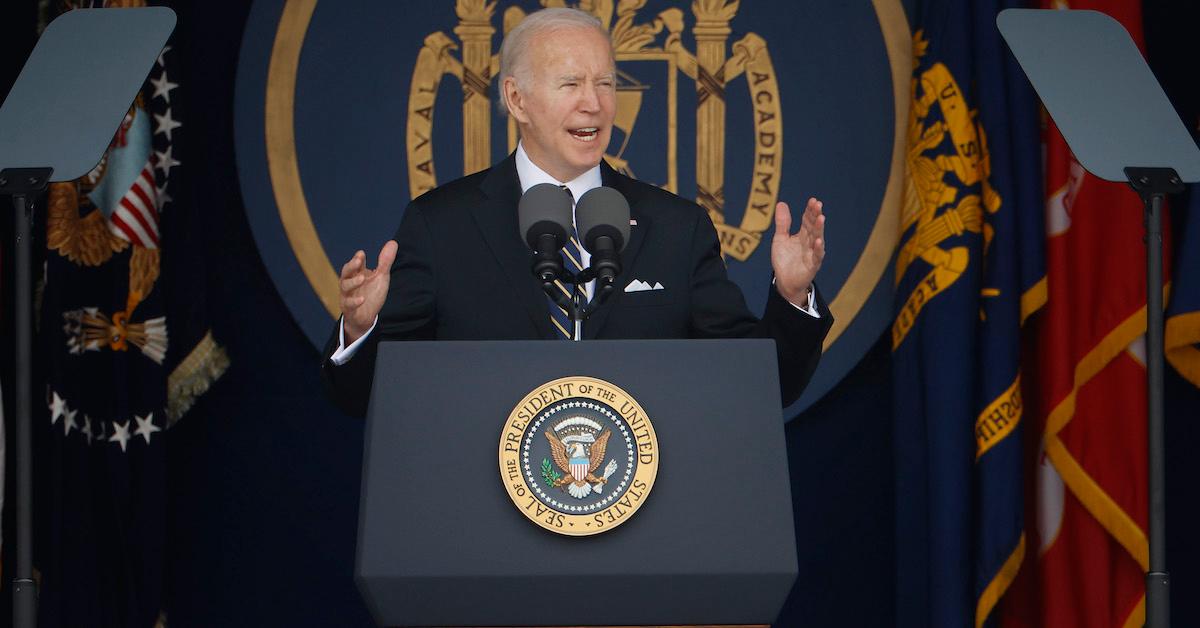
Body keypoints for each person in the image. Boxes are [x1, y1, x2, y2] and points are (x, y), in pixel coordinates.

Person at [322, 8, 832, 417]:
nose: (595, 104)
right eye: (570, 84)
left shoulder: (676, 227)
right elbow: (366, 399)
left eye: (606, 83)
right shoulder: (440, 225)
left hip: (643, 521)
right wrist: (359, 331)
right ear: (516, 98)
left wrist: (791, 298)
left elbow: (760, 385)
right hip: (481, 523)